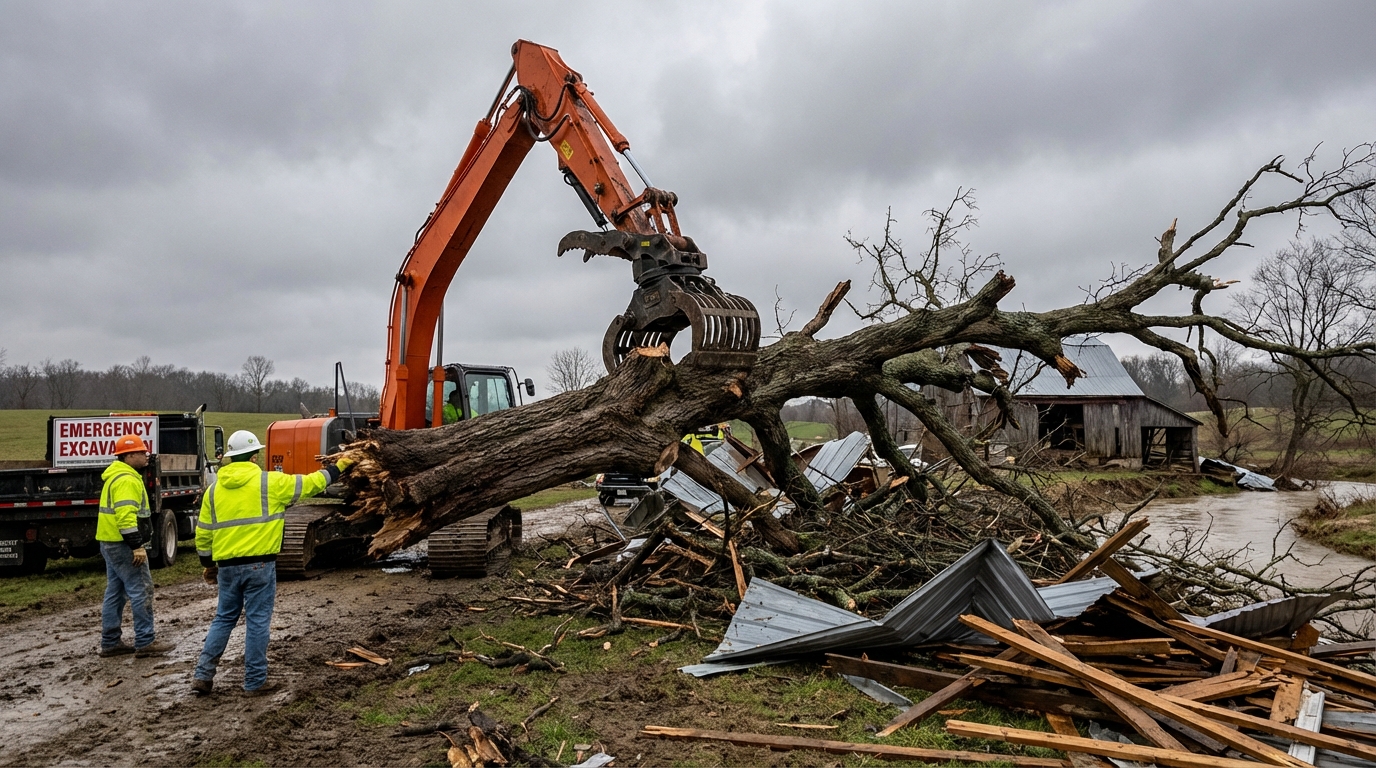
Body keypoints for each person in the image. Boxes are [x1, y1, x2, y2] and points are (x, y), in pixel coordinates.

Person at [190, 430, 353, 696]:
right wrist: (340, 466)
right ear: (254, 456)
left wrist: (208, 565)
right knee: (257, 622)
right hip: (260, 566)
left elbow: (204, 534)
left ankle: (202, 675)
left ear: (230, 457)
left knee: (223, 619)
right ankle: (254, 682)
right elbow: (312, 483)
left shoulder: (213, 491)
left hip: (227, 568)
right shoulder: (269, 483)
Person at [97, 434, 174, 658]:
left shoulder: (115, 476)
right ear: (129, 456)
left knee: (116, 592)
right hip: (123, 545)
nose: (146, 455)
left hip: (109, 542)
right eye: (141, 452)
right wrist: (137, 546)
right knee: (141, 589)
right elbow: (125, 516)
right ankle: (145, 641)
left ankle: (110, 642)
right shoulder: (127, 480)